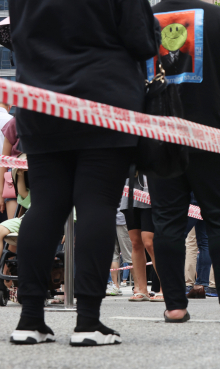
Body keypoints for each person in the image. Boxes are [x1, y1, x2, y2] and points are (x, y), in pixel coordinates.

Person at [8, 0, 159, 345]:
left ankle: (30, 318)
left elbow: (18, 37)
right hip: (105, 100)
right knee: (97, 204)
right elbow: (142, 41)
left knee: (44, 206)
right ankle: (88, 322)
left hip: (40, 101)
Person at [148, 0, 220, 324]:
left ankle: (175, 307)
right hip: (210, 136)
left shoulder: (146, 17)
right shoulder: (218, 17)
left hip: (158, 135)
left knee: (167, 222)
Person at [120, 177, 164, 302]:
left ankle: (165, 287)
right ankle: (142, 289)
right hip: (129, 193)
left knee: (149, 242)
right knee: (135, 243)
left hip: (150, 192)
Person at [106, 211, 133, 297]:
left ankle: (115, 286)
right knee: (130, 254)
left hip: (110, 219)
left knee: (113, 255)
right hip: (123, 219)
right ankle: (138, 287)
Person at [0, 114, 17, 221]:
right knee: (13, 230)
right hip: (13, 182)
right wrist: (1, 193)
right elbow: (4, 160)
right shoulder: (14, 123)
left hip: (41, 181)